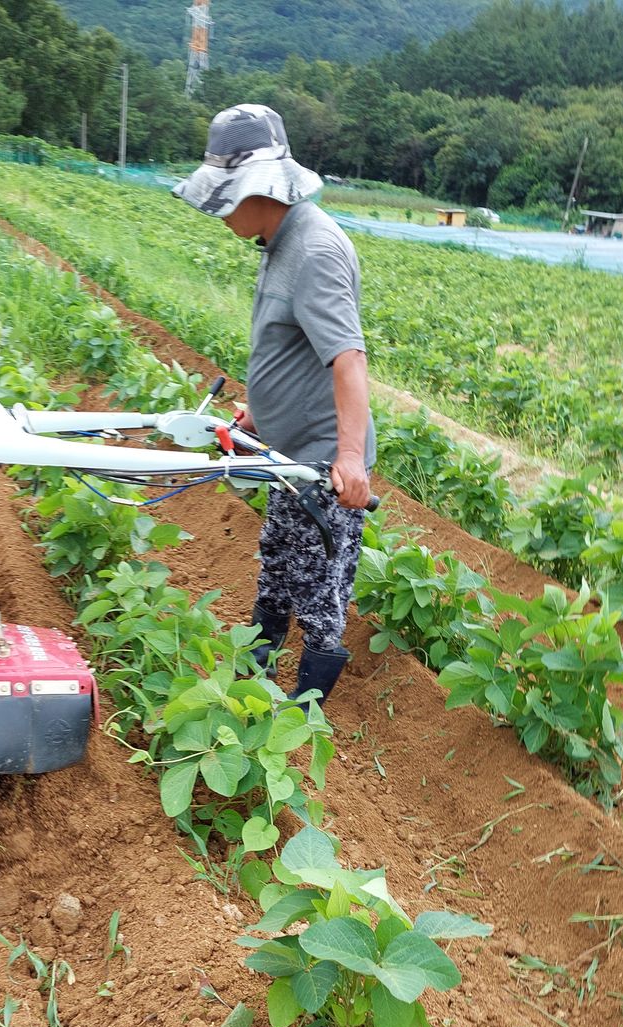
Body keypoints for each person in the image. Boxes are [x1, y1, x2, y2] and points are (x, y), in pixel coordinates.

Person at [173, 104, 376, 704]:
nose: (220, 211)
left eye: (226, 196)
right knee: (277, 567)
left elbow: (348, 359)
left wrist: (349, 459)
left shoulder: (314, 251)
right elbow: (288, 345)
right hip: (286, 455)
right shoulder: (277, 241)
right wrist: (258, 413)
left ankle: (301, 717)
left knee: (317, 590)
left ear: (258, 189)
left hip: (320, 465)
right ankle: (253, 677)